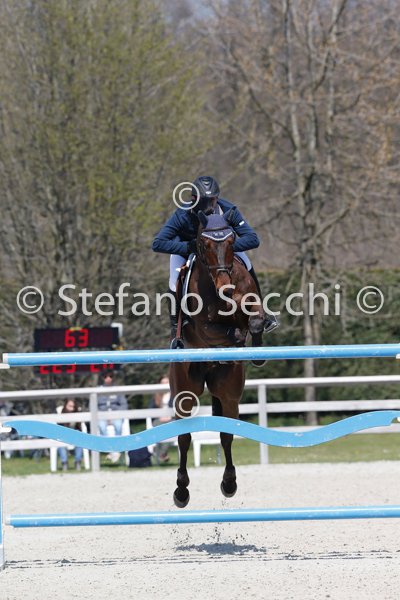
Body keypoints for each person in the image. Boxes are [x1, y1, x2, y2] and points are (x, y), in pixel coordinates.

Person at [152, 175, 279, 346]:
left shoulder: (228, 210)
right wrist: (188, 247)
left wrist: (225, 248)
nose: (209, 206)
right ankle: (177, 331)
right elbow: (158, 243)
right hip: (187, 249)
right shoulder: (183, 214)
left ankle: (263, 313)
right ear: (194, 199)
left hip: (221, 251)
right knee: (174, 282)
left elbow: (252, 239)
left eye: (212, 200)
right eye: (204, 201)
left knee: (247, 264)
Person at [98, 372, 128, 463]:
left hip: (116, 415)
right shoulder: (98, 390)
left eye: (110, 376)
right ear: (102, 378)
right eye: (105, 376)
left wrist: (116, 414)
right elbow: (93, 406)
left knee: (118, 425)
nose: (108, 378)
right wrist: (102, 415)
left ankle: (116, 448)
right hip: (102, 416)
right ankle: (112, 450)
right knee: (102, 426)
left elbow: (124, 405)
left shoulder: (117, 390)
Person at [149, 374, 173, 463]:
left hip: (171, 419)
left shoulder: (175, 394)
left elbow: (179, 408)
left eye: (167, 382)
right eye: (163, 383)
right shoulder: (156, 395)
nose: (165, 384)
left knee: (171, 429)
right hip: (158, 419)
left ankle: (159, 452)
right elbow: (151, 409)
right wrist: (159, 416)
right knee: (159, 428)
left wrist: (170, 416)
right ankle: (162, 454)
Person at [57, 398, 83, 471]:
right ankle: (64, 463)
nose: (71, 408)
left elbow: (80, 428)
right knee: (60, 443)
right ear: (66, 406)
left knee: (80, 442)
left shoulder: (77, 414)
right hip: (64, 436)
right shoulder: (62, 414)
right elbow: (59, 428)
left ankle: (78, 462)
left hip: (75, 435)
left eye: (73, 406)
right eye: (70, 406)